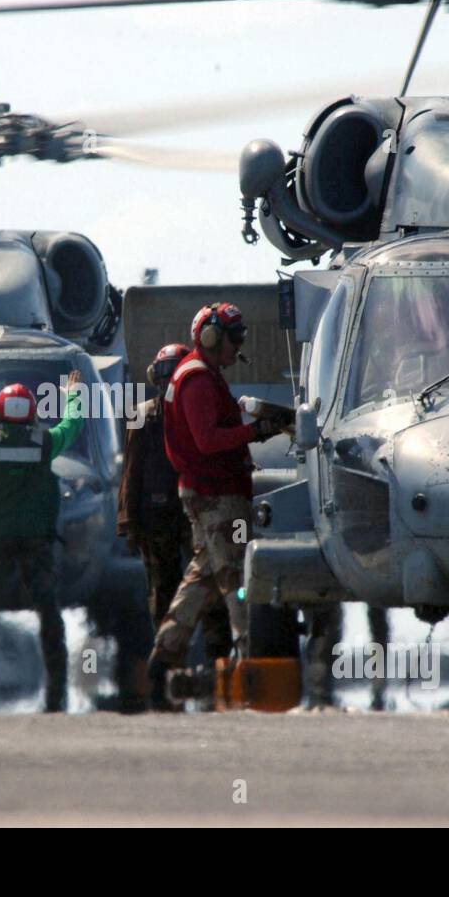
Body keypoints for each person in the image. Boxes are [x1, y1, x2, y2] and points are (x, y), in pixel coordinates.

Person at [147, 303, 281, 685]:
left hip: (208, 495)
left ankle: (162, 659)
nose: (236, 346)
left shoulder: (198, 375)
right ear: (210, 337)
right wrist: (256, 432)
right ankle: (249, 666)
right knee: (238, 578)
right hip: (219, 498)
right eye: (232, 338)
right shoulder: (199, 380)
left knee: (203, 576)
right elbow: (207, 441)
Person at [0, 368, 84, 712]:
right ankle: (58, 686)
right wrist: (72, 395)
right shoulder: (44, 444)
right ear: (32, 414)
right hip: (37, 543)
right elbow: (73, 425)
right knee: (48, 612)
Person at [118, 344, 232, 709]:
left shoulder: (195, 413)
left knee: (189, 593)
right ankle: (183, 673)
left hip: (187, 513)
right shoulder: (144, 416)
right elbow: (131, 472)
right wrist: (128, 522)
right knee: (183, 593)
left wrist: (129, 523)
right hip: (172, 517)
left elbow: (130, 474)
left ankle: (204, 670)